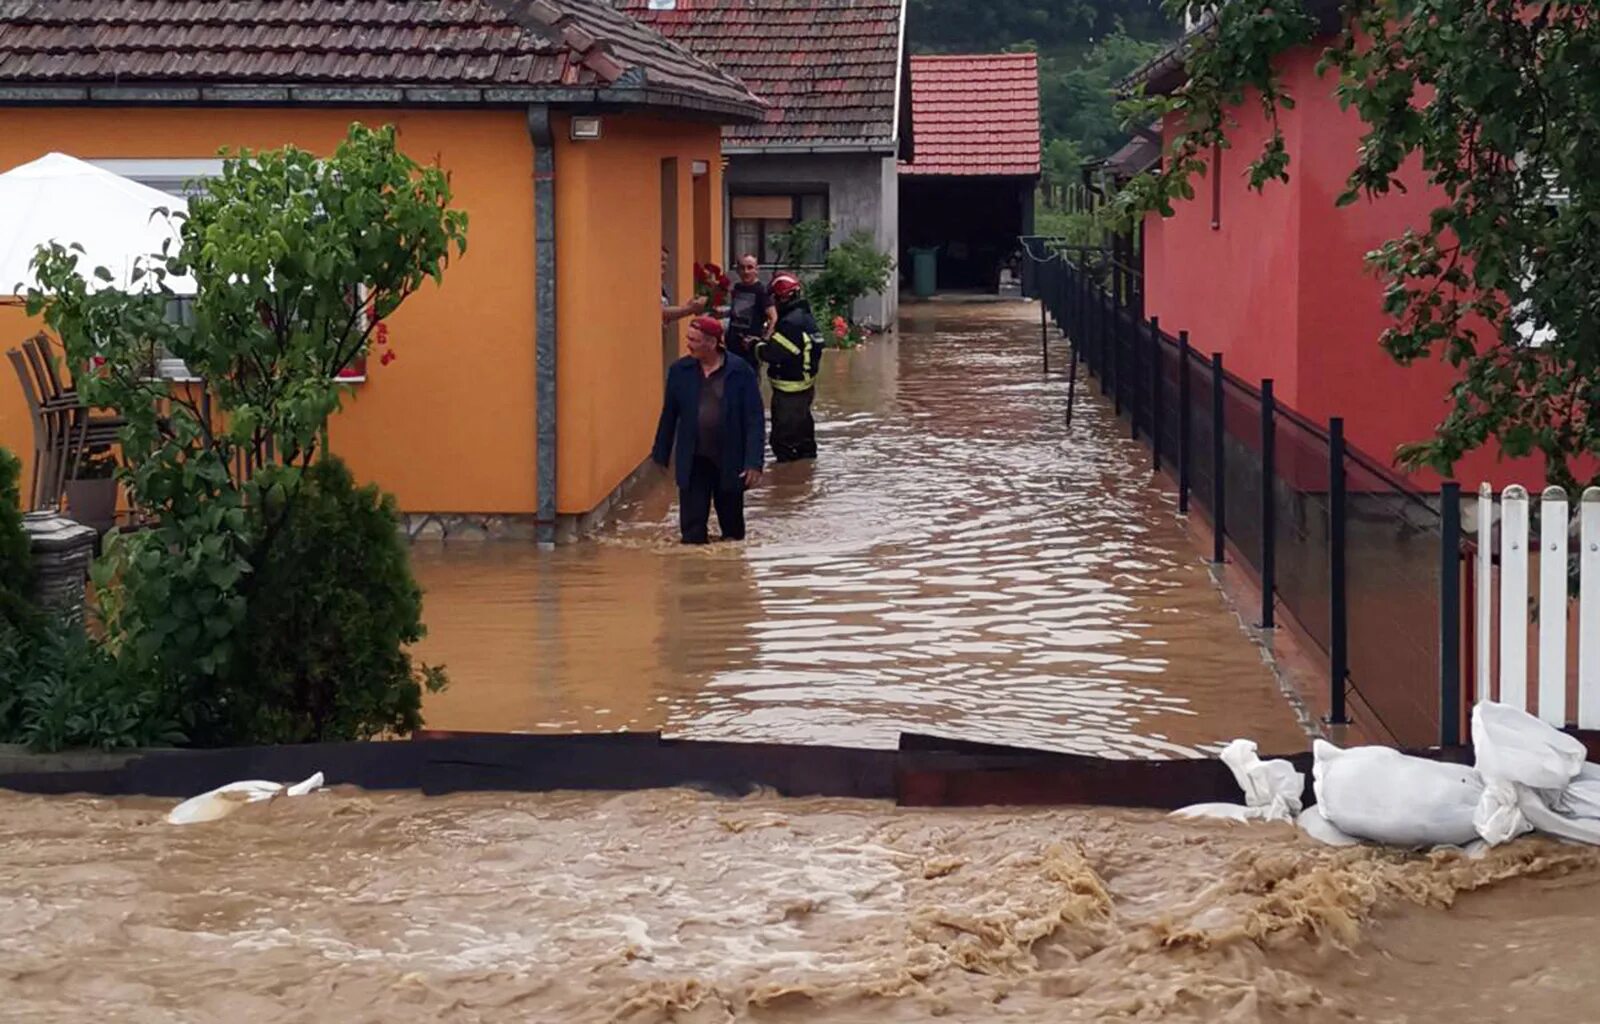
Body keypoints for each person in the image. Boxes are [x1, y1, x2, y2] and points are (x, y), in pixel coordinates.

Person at [652, 316, 765, 544]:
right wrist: (660, 454)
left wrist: (754, 462)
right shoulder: (679, 371)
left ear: (712, 343)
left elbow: (754, 419)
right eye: (688, 339)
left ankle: (731, 576)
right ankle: (694, 574)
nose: (688, 344)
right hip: (694, 459)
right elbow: (669, 415)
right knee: (692, 532)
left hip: (730, 459)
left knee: (733, 533)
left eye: (694, 340)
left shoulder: (740, 371)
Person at [755, 272, 824, 462]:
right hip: (804, 389)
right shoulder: (804, 317)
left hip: (789, 392)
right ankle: (804, 480)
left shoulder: (790, 323)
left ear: (782, 297)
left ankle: (789, 484)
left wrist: (755, 346)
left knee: (783, 442)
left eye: (775, 298)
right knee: (804, 438)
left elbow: (771, 353)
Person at [725, 253, 777, 370]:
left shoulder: (761, 291)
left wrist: (764, 340)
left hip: (749, 348)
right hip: (733, 344)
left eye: (750, 267)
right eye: (742, 268)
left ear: (756, 270)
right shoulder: (737, 288)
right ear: (737, 270)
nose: (746, 271)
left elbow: (773, 317)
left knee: (749, 382)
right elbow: (737, 311)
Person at [661, 246, 706, 325]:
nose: (665, 264)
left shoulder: (661, 284)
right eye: (661, 259)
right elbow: (662, 312)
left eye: (665, 260)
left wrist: (689, 307)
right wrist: (689, 308)